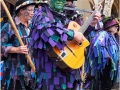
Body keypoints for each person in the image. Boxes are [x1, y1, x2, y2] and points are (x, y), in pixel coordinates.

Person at [30, 0, 101, 89]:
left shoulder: (65, 19)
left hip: (69, 74)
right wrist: (72, 34)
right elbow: (46, 30)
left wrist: (91, 25)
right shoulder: (41, 14)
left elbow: (75, 39)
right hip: (50, 75)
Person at [1, 0, 36, 90]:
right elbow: (1, 46)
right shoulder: (10, 26)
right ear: (21, 11)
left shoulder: (32, 26)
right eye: (30, 10)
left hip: (31, 73)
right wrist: (16, 49)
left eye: (33, 10)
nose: (32, 13)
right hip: (14, 74)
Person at [87, 16, 119, 90]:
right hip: (105, 65)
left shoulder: (111, 36)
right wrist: (107, 55)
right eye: (115, 26)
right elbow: (97, 45)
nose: (117, 28)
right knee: (105, 85)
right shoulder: (104, 34)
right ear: (109, 27)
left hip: (110, 66)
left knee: (108, 85)